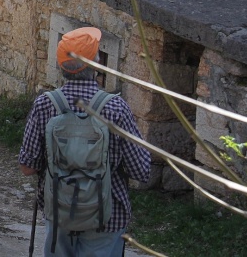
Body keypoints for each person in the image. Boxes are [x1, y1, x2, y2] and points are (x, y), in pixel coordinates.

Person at [18, 27, 150, 257]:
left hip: (60, 212)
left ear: (61, 66)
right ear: (96, 65)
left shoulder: (45, 105)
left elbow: (27, 167)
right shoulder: (115, 108)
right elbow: (141, 170)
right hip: (107, 216)